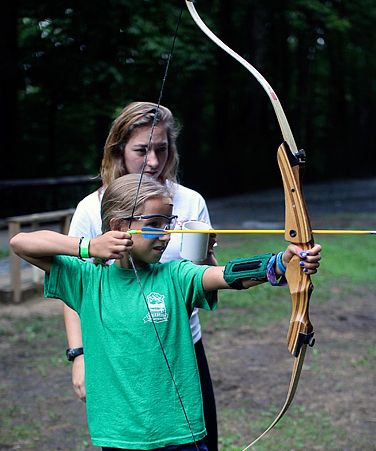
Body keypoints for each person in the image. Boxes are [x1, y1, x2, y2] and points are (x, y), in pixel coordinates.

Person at [10, 174, 322, 451]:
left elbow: (224, 276)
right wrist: (88, 246)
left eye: (169, 223)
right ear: (120, 228)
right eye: (154, 224)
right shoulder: (87, 281)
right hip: (119, 438)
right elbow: (21, 243)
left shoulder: (175, 276)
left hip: (180, 435)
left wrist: (281, 263)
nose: (167, 234)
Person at [64, 102, 219, 451]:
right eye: (141, 150)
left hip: (182, 347)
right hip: (117, 351)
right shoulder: (93, 208)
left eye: (161, 150)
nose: (153, 161)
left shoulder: (190, 201)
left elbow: (204, 275)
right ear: (119, 150)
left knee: (198, 439)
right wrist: (79, 355)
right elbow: (74, 285)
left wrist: (271, 266)